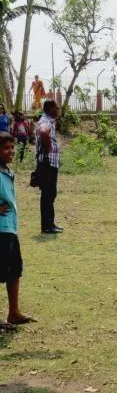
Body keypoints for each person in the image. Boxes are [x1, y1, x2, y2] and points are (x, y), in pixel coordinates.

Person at [0, 132, 36, 326]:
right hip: (1, 231)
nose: (11, 151)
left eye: (12, 147)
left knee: (14, 271)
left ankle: (13, 312)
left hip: (9, 229)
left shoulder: (6, 171)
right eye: (6, 148)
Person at [35, 100, 62, 234]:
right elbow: (44, 132)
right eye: (56, 108)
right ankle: (47, 226)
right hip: (47, 164)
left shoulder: (49, 120)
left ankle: (49, 223)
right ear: (51, 109)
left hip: (49, 164)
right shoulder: (45, 121)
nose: (58, 110)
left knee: (50, 194)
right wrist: (48, 148)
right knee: (48, 194)